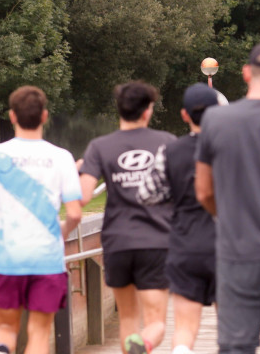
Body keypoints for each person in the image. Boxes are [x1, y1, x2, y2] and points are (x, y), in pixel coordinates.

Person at [0, 86, 82, 354]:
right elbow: (74, 213)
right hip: (47, 260)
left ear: (12, 116)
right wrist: (63, 231)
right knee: (38, 334)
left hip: (8, 260)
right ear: (44, 116)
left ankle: (2, 350)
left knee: (4, 329)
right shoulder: (62, 157)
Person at [78, 81, 176, 354]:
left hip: (117, 241)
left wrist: (78, 168)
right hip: (156, 241)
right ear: (147, 111)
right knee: (155, 322)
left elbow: (84, 196)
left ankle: (134, 345)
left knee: (128, 319)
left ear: (120, 110)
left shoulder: (99, 146)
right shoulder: (167, 142)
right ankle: (143, 345)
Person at [136, 83, 221, 354]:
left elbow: (146, 194)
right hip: (229, 245)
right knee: (232, 328)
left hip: (186, 244)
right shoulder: (232, 148)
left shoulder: (170, 151)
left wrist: (174, 194)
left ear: (185, 115)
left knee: (184, 327)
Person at [196, 42, 260, 354]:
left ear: (246, 73)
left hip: (239, 250)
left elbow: (204, 191)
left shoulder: (217, 121)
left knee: (237, 346)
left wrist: (228, 217)